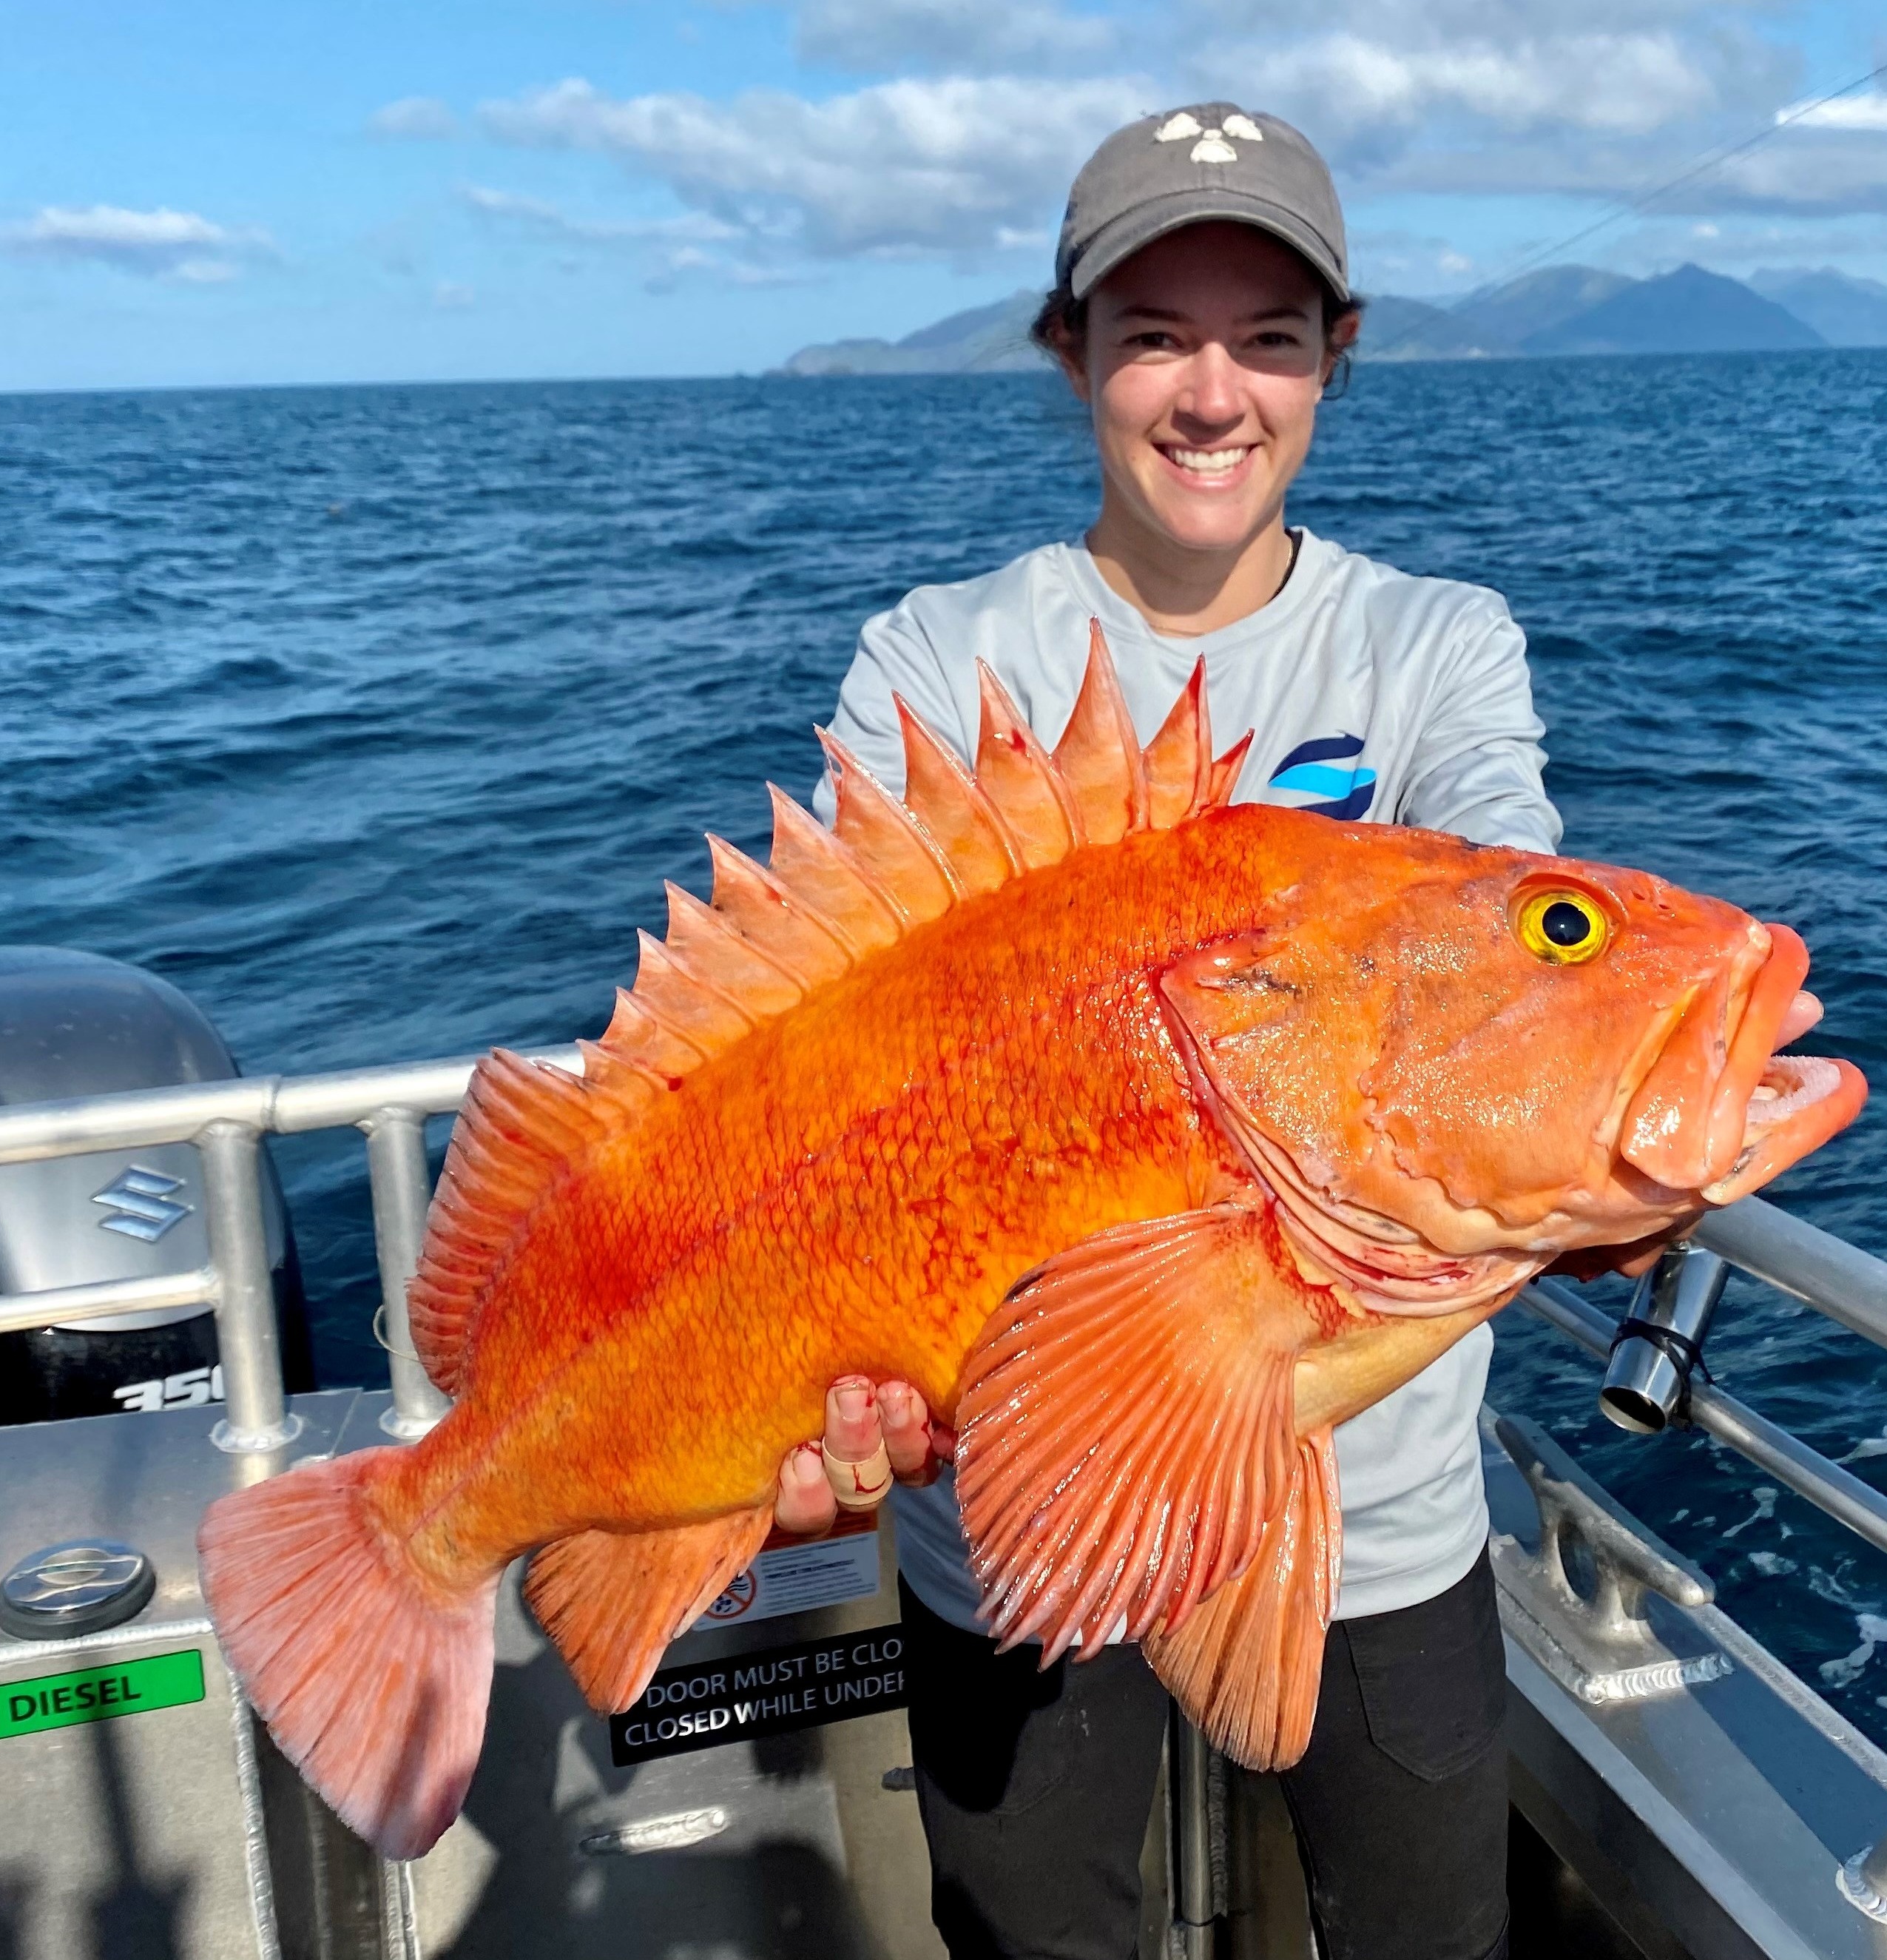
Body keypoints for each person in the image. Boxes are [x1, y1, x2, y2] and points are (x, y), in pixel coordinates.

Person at [766, 103, 1557, 1960]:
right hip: (1016, 1512)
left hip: (1374, 1506)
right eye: (1155, 336)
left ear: (1336, 358)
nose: (1215, 395)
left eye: (1270, 337)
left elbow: (1512, 922)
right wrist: (835, 1357)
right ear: (1071, 355)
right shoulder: (936, 665)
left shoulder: (1436, 647)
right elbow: (838, 1042)